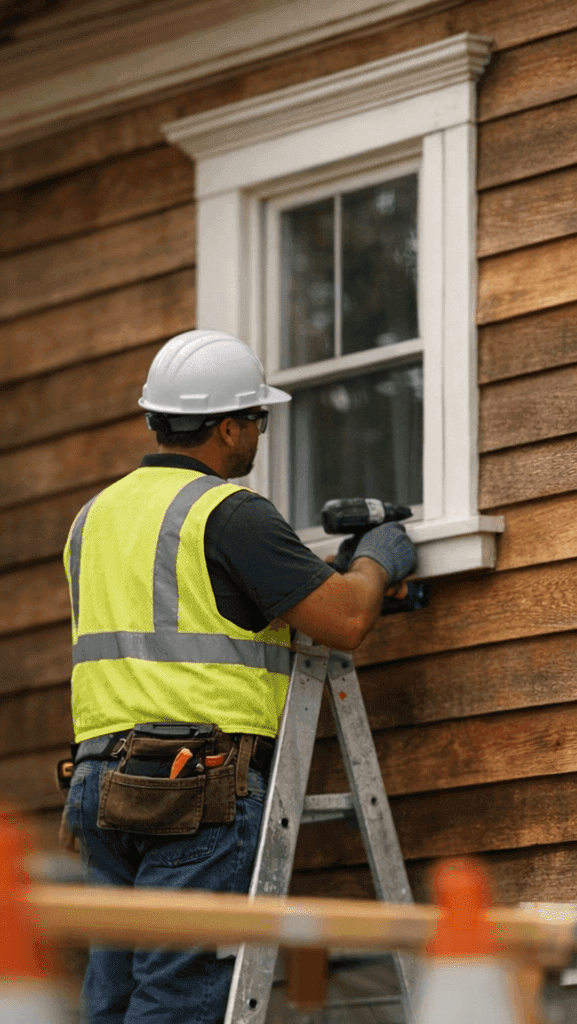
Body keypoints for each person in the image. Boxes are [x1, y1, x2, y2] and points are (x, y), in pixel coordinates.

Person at [60, 329, 419, 1024]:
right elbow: (344, 620)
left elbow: (185, 610)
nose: (259, 432)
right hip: (192, 787)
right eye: (257, 419)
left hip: (99, 783)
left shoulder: (92, 519)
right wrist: (377, 560)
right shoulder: (227, 514)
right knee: (178, 995)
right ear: (228, 426)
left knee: (113, 995)